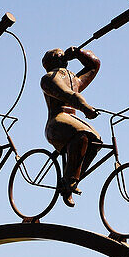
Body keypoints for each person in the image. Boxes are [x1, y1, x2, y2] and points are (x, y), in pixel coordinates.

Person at [40, 46, 101, 206]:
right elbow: (67, 94)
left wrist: (79, 54)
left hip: (72, 120)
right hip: (57, 122)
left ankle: (72, 180)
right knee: (81, 134)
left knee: (95, 142)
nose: (62, 55)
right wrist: (85, 107)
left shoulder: (73, 79)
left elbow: (93, 65)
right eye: (57, 54)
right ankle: (69, 179)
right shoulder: (49, 78)